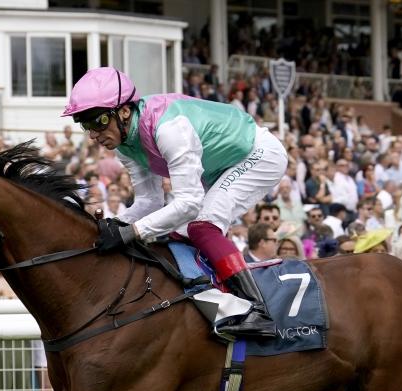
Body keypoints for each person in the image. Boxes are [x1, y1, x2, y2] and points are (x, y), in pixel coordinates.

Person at [61, 67, 287, 337]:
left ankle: (257, 310)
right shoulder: (124, 145)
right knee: (179, 233)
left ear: (124, 112)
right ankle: (214, 301)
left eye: (98, 121)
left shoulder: (169, 130)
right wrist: (115, 224)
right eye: (86, 125)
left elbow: (189, 203)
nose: (94, 134)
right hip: (219, 167)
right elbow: (150, 201)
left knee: (202, 226)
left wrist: (130, 232)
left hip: (258, 154)